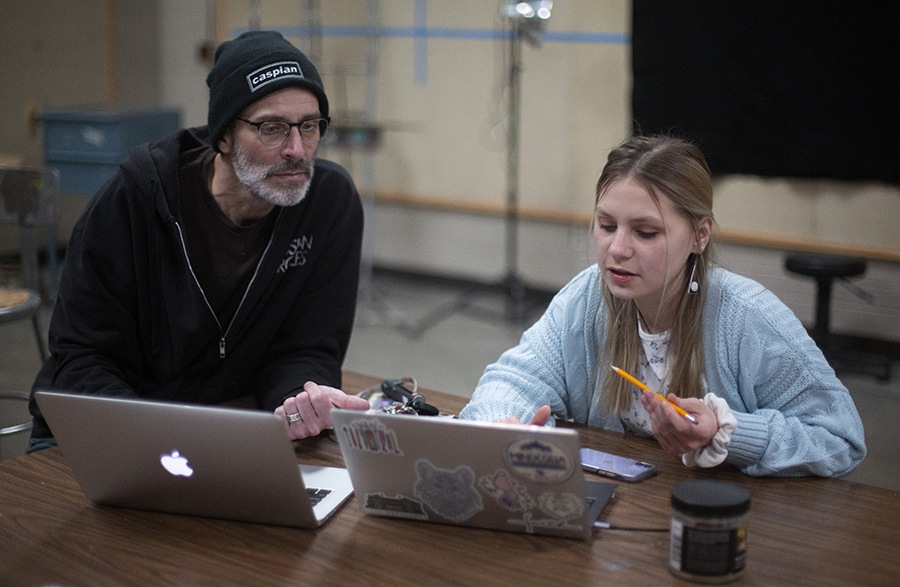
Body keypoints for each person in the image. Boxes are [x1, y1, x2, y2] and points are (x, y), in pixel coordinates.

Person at [27, 31, 370, 452]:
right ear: (223, 136)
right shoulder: (136, 198)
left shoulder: (328, 204)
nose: (297, 149)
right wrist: (160, 444)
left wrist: (295, 400)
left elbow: (307, 347)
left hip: (225, 427)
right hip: (96, 433)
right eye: (272, 128)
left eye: (310, 126)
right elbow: (82, 358)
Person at [459, 135, 866, 477]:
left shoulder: (748, 317)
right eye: (606, 225)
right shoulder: (587, 299)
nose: (616, 249)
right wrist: (502, 422)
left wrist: (729, 433)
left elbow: (840, 438)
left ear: (699, 235)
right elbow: (514, 379)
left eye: (646, 232)